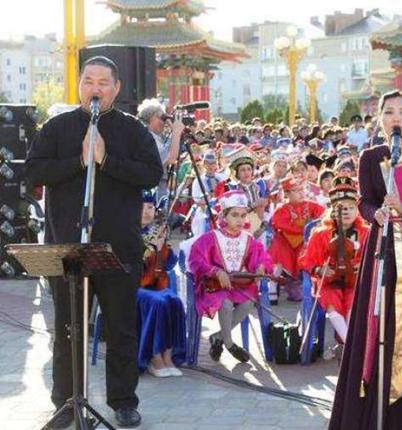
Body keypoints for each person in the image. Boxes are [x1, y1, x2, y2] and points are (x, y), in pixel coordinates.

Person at [25, 56, 163, 428]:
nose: (96, 88)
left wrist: (106, 160)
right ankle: (66, 402)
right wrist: (78, 160)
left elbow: (153, 172)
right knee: (68, 330)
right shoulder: (58, 127)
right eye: (89, 81)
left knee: (120, 329)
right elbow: (34, 171)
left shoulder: (133, 131)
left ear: (116, 88)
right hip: (68, 247)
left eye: (104, 82)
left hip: (119, 250)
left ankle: (123, 401)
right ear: (79, 85)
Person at [329, 90, 402, 430]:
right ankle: (371, 411)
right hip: (381, 248)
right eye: (390, 112)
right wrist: (374, 213)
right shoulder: (371, 157)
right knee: (377, 323)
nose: (397, 118)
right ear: (380, 118)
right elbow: (364, 201)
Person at [188, 190, 273, 363]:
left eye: (243, 215)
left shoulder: (248, 238)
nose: (240, 220)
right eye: (235, 215)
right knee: (225, 303)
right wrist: (216, 271)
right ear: (224, 216)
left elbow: (261, 255)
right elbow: (195, 259)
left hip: (238, 285)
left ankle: (218, 337)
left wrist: (261, 266)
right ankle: (229, 343)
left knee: (249, 301)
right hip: (215, 285)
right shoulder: (211, 238)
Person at [298, 175, 369, 345]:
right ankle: (349, 344)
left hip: (356, 281)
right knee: (331, 297)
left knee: (355, 298)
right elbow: (307, 260)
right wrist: (319, 270)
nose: (347, 212)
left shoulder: (367, 232)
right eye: (341, 208)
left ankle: (353, 342)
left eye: (351, 208)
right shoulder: (321, 233)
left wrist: (363, 266)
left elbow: (373, 258)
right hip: (329, 280)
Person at [138, 191, 186, 377]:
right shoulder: (127, 233)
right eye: (141, 207)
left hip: (154, 284)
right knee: (157, 303)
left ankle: (168, 356)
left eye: (150, 207)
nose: (146, 212)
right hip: (134, 287)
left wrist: (164, 247)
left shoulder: (157, 231)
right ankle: (153, 356)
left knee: (174, 301)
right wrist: (150, 249)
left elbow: (169, 264)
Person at [268, 175, 325, 302]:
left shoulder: (311, 205)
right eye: (296, 190)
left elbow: (323, 217)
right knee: (278, 252)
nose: (301, 193)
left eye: (302, 189)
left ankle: (311, 288)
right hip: (285, 242)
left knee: (310, 252)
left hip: (304, 243)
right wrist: (303, 229)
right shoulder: (282, 208)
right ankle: (272, 287)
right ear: (287, 193)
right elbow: (279, 224)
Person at [137, 98, 185, 204]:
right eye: (161, 117)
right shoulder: (148, 137)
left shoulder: (155, 137)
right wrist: (176, 132)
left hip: (157, 186)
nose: (164, 121)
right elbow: (171, 158)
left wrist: (175, 131)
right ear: (150, 118)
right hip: (153, 188)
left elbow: (170, 150)